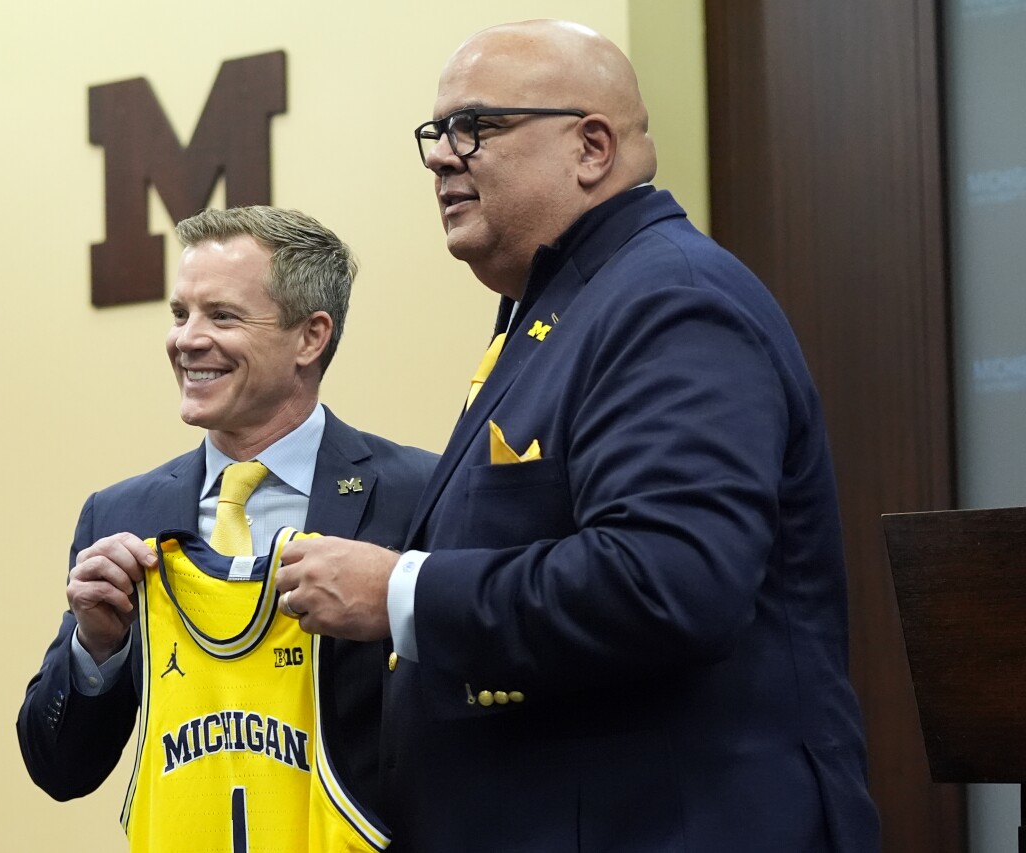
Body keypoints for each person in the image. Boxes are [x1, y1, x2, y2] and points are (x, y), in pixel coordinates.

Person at [274, 19, 882, 851]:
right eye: (436, 133)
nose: (440, 157)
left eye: (474, 128)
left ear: (591, 147)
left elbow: (669, 581)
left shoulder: (671, 299)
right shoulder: (564, 305)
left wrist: (400, 593)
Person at [16, 206, 438, 829]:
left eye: (223, 316)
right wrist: (95, 647)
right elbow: (61, 770)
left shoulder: (422, 495)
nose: (187, 339)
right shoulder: (121, 515)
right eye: (180, 313)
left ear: (310, 337)